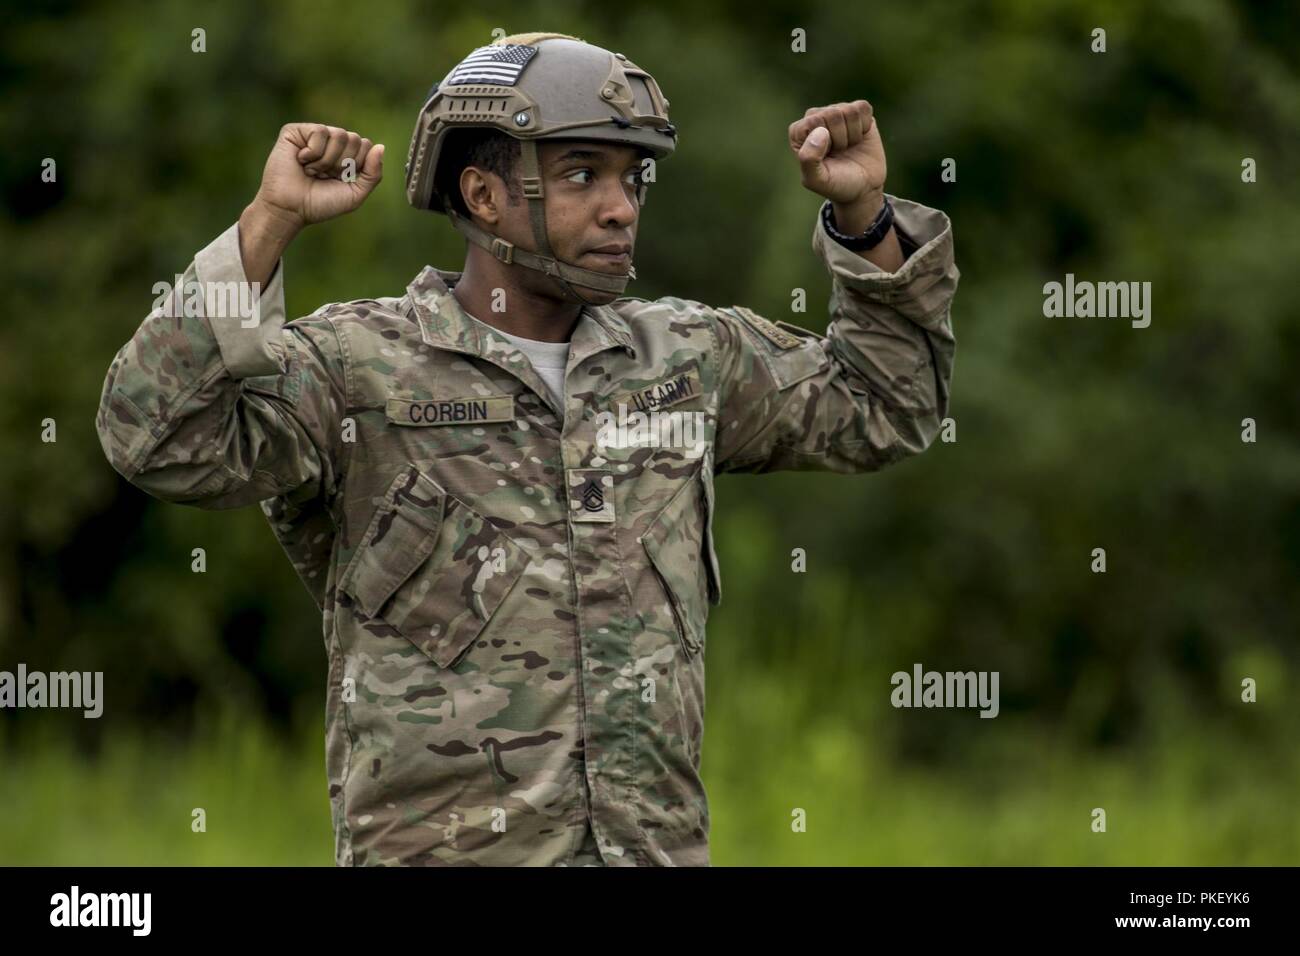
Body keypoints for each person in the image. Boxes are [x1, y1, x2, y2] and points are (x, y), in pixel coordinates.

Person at [95, 31, 958, 866]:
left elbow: (885, 404)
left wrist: (863, 215)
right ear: (483, 196)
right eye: (582, 175)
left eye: (631, 176)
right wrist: (269, 223)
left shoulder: (686, 358)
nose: (622, 206)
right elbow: (155, 435)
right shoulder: (358, 372)